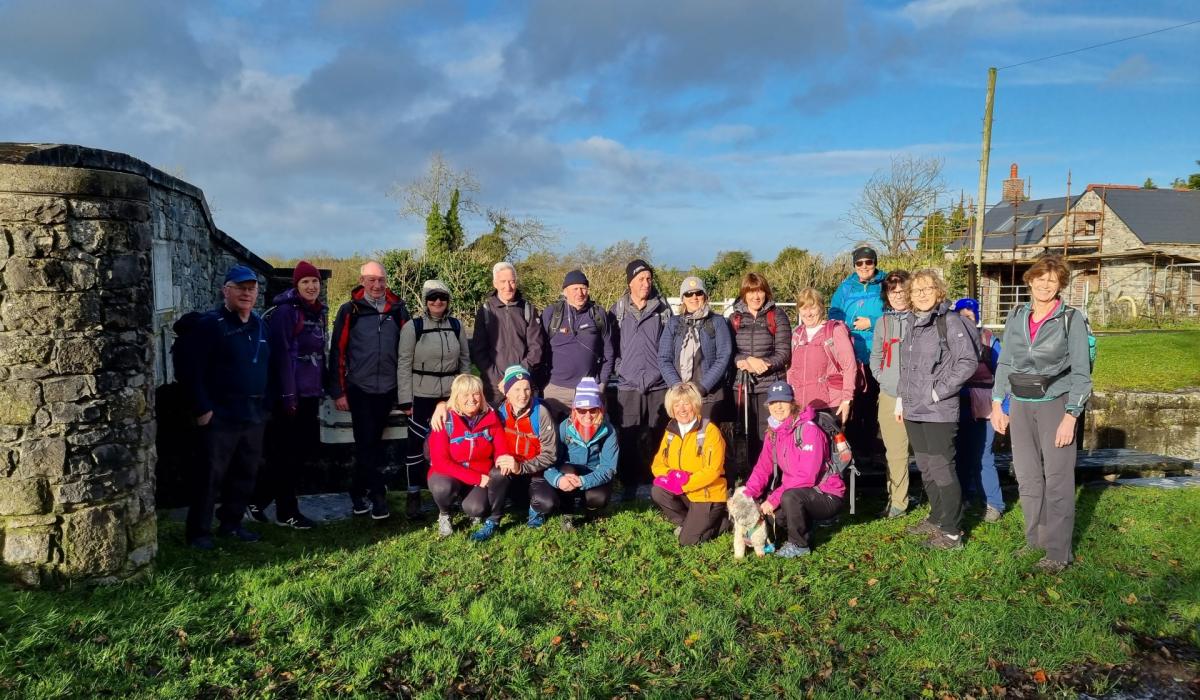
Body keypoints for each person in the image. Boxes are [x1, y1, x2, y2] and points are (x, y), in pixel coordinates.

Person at [991, 255, 1092, 573]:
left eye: (1053, 280)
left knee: (1059, 479)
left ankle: (1059, 552)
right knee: (1028, 476)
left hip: (1056, 405)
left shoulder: (1071, 319)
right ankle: (1035, 538)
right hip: (1020, 405)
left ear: (1060, 284)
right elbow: (1005, 362)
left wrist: (1071, 415)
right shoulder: (1016, 315)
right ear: (1030, 280)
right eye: (1040, 278)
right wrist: (998, 403)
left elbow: (1081, 372)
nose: (1045, 284)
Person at [181, 265, 271, 549]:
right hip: (220, 414)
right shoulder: (210, 324)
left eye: (251, 288)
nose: (246, 293)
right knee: (210, 475)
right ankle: (199, 532)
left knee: (246, 472)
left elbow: (270, 364)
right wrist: (202, 408)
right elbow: (189, 369)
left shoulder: (259, 324)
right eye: (240, 288)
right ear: (226, 291)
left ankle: (231, 524)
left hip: (254, 414)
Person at [897, 269, 978, 550]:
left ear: (938, 291)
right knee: (927, 466)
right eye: (916, 290)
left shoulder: (950, 321)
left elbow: (967, 361)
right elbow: (906, 368)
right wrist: (900, 399)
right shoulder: (911, 322)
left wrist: (938, 391)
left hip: (938, 409)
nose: (921, 294)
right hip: (912, 409)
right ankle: (938, 517)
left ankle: (953, 532)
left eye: (927, 288)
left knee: (942, 466)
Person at [327, 260, 410, 520]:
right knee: (366, 443)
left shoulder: (398, 310)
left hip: (388, 388)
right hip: (359, 388)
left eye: (381, 280)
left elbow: (409, 351)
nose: (377, 285)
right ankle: (378, 496)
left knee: (372, 443)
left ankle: (356, 491)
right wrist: (338, 392)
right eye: (371, 280)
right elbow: (337, 352)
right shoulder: (349, 310)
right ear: (362, 281)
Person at [248, 260, 325, 530]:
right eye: (305, 282)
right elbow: (282, 357)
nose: (311, 286)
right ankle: (287, 512)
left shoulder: (317, 311)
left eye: (315, 281)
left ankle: (257, 500)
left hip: (310, 393)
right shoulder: (285, 313)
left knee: (298, 453)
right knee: (286, 455)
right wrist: (289, 396)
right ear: (296, 285)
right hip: (288, 395)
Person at [742, 382, 845, 558]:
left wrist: (773, 499)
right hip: (800, 490)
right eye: (773, 403)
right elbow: (763, 467)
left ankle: (800, 545)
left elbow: (807, 476)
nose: (778, 407)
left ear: (792, 403)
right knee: (778, 515)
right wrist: (747, 495)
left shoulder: (809, 430)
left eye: (783, 401)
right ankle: (805, 528)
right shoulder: (773, 432)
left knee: (790, 497)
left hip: (827, 493)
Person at [397, 279, 470, 520]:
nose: (437, 302)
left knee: (453, 443)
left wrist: (465, 394)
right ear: (425, 301)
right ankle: (413, 494)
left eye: (442, 297)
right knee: (416, 446)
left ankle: (455, 492)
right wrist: (405, 400)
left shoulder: (456, 326)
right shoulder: (413, 327)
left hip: (451, 395)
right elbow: (404, 363)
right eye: (432, 298)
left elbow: (465, 362)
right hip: (421, 394)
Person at [609, 258, 672, 500]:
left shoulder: (663, 310)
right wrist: (621, 368)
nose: (646, 283)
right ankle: (629, 484)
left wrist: (662, 370)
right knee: (627, 435)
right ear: (630, 283)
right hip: (628, 383)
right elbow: (610, 346)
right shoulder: (618, 311)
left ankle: (661, 482)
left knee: (661, 434)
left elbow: (670, 346)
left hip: (659, 383)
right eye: (640, 279)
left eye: (649, 278)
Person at [426, 374, 516, 541]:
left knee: (477, 509)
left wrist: (502, 459)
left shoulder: (491, 416)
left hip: (479, 473)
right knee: (442, 488)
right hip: (448, 474)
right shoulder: (445, 419)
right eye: (465, 394)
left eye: (475, 393)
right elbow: (440, 461)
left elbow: (501, 447)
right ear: (456, 397)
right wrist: (475, 477)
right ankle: (445, 513)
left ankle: (466, 502)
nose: (472, 399)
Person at [728, 271, 793, 475]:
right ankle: (752, 479)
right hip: (743, 385)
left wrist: (762, 363)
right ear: (744, 294)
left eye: (760, 292)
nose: (756, 297)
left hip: (771, 385)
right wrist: (744, 361)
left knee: (770, 434)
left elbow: (784, 353)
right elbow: (729, 352)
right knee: (747, 436)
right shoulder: (734, 318)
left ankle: (775, 478)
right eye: (751, 292)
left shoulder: (778, 316)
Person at [650, 382, 728, 545]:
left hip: (707, 493)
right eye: (677, 404)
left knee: (687, 542)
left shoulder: (710, 431)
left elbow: (712, 471)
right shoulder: (671, 430)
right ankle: (687, 523)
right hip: (683, 490)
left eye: (686, 403)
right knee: (658, 491)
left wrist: (683, 484)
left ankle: (723, 523)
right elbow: (658, 464)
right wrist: (671, 479)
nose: (682, 409)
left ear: (695, 404)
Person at [830, 245, 887, 469]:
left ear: (875, 263)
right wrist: (844, 329)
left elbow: (893, 311)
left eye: (869, 262)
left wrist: (870, 322)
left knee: (876, 406)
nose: (864, 267)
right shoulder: (845, 288)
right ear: (855, 265)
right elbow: (834, 313)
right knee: (854, 405)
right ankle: (856, 453)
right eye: (860, 263)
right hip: (853, 355)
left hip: (879, 353)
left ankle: (877, 451)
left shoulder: (884, 284)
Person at [953, 297, 1005, 523]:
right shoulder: (949, 339)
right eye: (961, 317)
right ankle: (963, 496)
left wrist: (1002, 406)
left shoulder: (989, 341)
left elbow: (1002, 374)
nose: (965, 321)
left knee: (983, 456)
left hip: (984, 406)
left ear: (976, 318)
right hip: (955, 405)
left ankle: (994, 503)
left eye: (969, 317)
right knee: (959, 455)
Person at [544, 377, 619, 529]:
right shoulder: (564, 428)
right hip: (569, 472)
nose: (587, 415)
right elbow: (549, 462)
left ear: (600, 409)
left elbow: (609, 468)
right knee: (567, 471)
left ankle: (590, 509)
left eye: (593, 410)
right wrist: (558, 479)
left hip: (594, 472)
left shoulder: (609, 431)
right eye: (582, 410)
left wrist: (584, 481)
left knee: (598, 498)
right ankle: (567, 513)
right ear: (574, 410)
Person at [541, 269, 615, 420]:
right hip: (556, 390)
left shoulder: (598, 314)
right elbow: (539, 349)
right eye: (575, 288)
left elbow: (609, 351)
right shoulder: (551, 313)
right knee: (555, 439)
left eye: (583, 288)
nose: (580, 293)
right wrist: (543, 384)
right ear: (565, 291)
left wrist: (601, 384)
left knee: (589, 437)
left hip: (588, 390)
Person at [470, 262, 546, 405]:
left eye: (512, 281)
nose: (508, 286)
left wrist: (517, 377)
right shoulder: (485, 311)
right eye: (503, 282)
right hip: (495, 387)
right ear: (495, 283)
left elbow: (536, 348)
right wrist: (499, 380)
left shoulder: (528, 309)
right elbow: (479, 351)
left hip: (523, 385)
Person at [658, 276, 733, 420]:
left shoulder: (717, 322)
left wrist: (702, 387)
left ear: (705, 296)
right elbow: (664, 358)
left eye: (698, 293)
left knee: (707, 439)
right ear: (683, 298)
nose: (694, 297)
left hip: (710, 396)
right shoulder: (673, 323)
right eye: (688, 294)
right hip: (679, 397)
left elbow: (724, 356)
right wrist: (677, 387)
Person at [869, 270, 912, 519]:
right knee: (893, 451)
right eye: (892, 291)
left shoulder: (919, 319)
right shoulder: (883, 323)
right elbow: (876, 356)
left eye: (902, 291)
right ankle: (897, 501)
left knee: (925, 452)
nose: (897, 296)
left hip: (916, 396)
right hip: (888, 394)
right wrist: (883, 378)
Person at [785, 288, 856, 423]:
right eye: (804, 308)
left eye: (812, 308)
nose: (808, 313)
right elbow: (791, 370)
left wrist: (847, 399)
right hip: (801, 405)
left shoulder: (835, 330)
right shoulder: (797, 334)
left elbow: (849, 366)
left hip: (830, 404)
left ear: (821, 308)